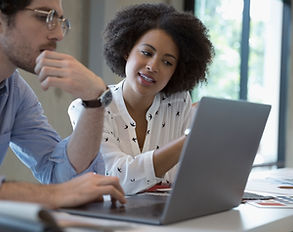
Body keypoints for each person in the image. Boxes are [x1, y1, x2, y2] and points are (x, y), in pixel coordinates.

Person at [68, 3, 214, 195]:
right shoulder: (88, 107)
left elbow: (190, 174)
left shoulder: (179, 102)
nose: (153, 66)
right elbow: (117, 178)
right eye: (146, 53)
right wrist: (190, 139)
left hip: (166, 216)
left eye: (167, 62)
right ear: (127, 51)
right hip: (109, 216)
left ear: (176, 71)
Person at [0, 0, 126, 207]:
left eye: (60, 21)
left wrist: (95, 99)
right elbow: (61, 190)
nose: (58, 34)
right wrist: (51, 195)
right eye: (44, 16)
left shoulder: (15, 91)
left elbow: (62, 177)